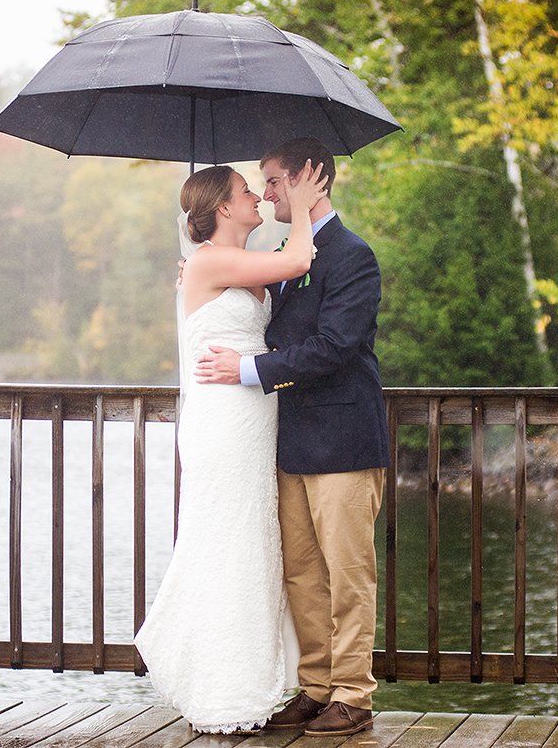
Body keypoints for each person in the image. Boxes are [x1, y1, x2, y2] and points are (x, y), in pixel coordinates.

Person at [195, 136, 390, 738]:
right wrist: (205, 277)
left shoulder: (352, 255)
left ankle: (354, 695)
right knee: (301, 572)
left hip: (343, 439)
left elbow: (334, 347)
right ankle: (316, 687)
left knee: (347, 571)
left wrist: (248, 371)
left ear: (313, 178)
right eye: (262, 183)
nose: (268, 192)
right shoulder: (288, 252)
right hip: (288, 439)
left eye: (275, 180)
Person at [134, 159, 328, 734]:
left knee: (252, 543)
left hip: (252, 418)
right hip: (222, 421)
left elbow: (282, 277)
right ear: (223, 208)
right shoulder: (212, 260)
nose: (258, 199)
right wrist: (298, 195)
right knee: (225, 537)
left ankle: (247, 682)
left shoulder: (227, 264)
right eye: (249, 192)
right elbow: (296, 259)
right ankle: (221, 688)